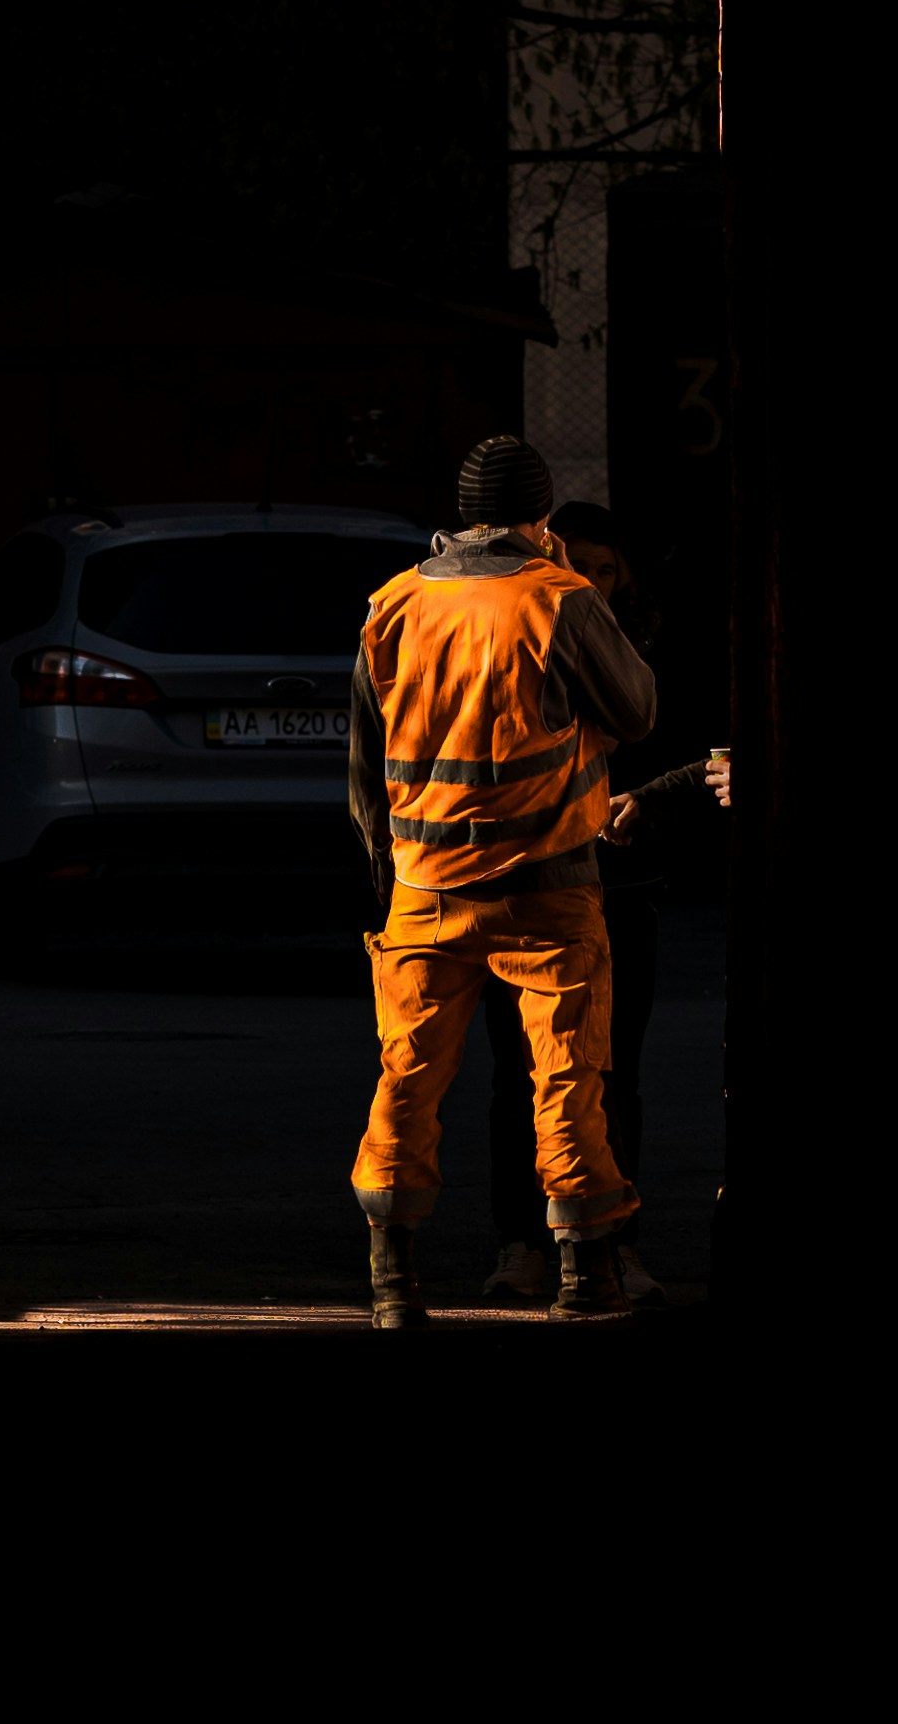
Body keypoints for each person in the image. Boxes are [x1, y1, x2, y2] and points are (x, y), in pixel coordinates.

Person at [346, 437, 658, 1325]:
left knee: (407, 1081)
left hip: (424, 889)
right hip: (546, 887)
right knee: (567, 1082)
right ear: (540, 516)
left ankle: (393, 1282)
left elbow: (366, 765)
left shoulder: (393, 603)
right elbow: (637, 710)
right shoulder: (560, 597)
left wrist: (391, 873)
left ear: (462, 515)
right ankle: (585, 1278)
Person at [473, 501, 719, 1310]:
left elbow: (697, 749)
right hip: (524, 885)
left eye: (605, 570)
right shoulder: (513, 633)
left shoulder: (646, 651)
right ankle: (522, 1245)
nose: (589, 581)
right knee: (520, 1073)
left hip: (619, 888)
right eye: (574, 564)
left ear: (627, 581)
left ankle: (614, 1246)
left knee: (610, 1074)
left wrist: (652, 797)